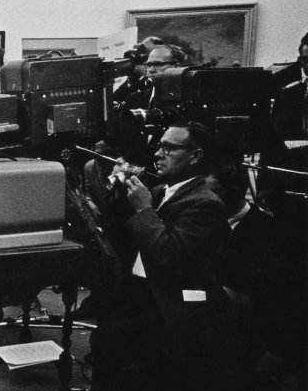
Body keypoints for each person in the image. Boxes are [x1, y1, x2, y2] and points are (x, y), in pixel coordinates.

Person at [91, 122, 238, 391]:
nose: (158, 154)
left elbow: (167, 255)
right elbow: (122, 240)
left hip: (164, 308)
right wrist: (116, 192)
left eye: (169, 148)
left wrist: (144, 209)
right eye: (159, 146)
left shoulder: (205, 203)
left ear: (195, 156)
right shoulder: (159, 192)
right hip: (134, 296)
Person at [206, 164, 296, 389]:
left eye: (212, 192)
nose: (205, 199)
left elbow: (276, 299)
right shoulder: (204, 223)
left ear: (235, 191)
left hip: (251, 339)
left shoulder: (269, 232)